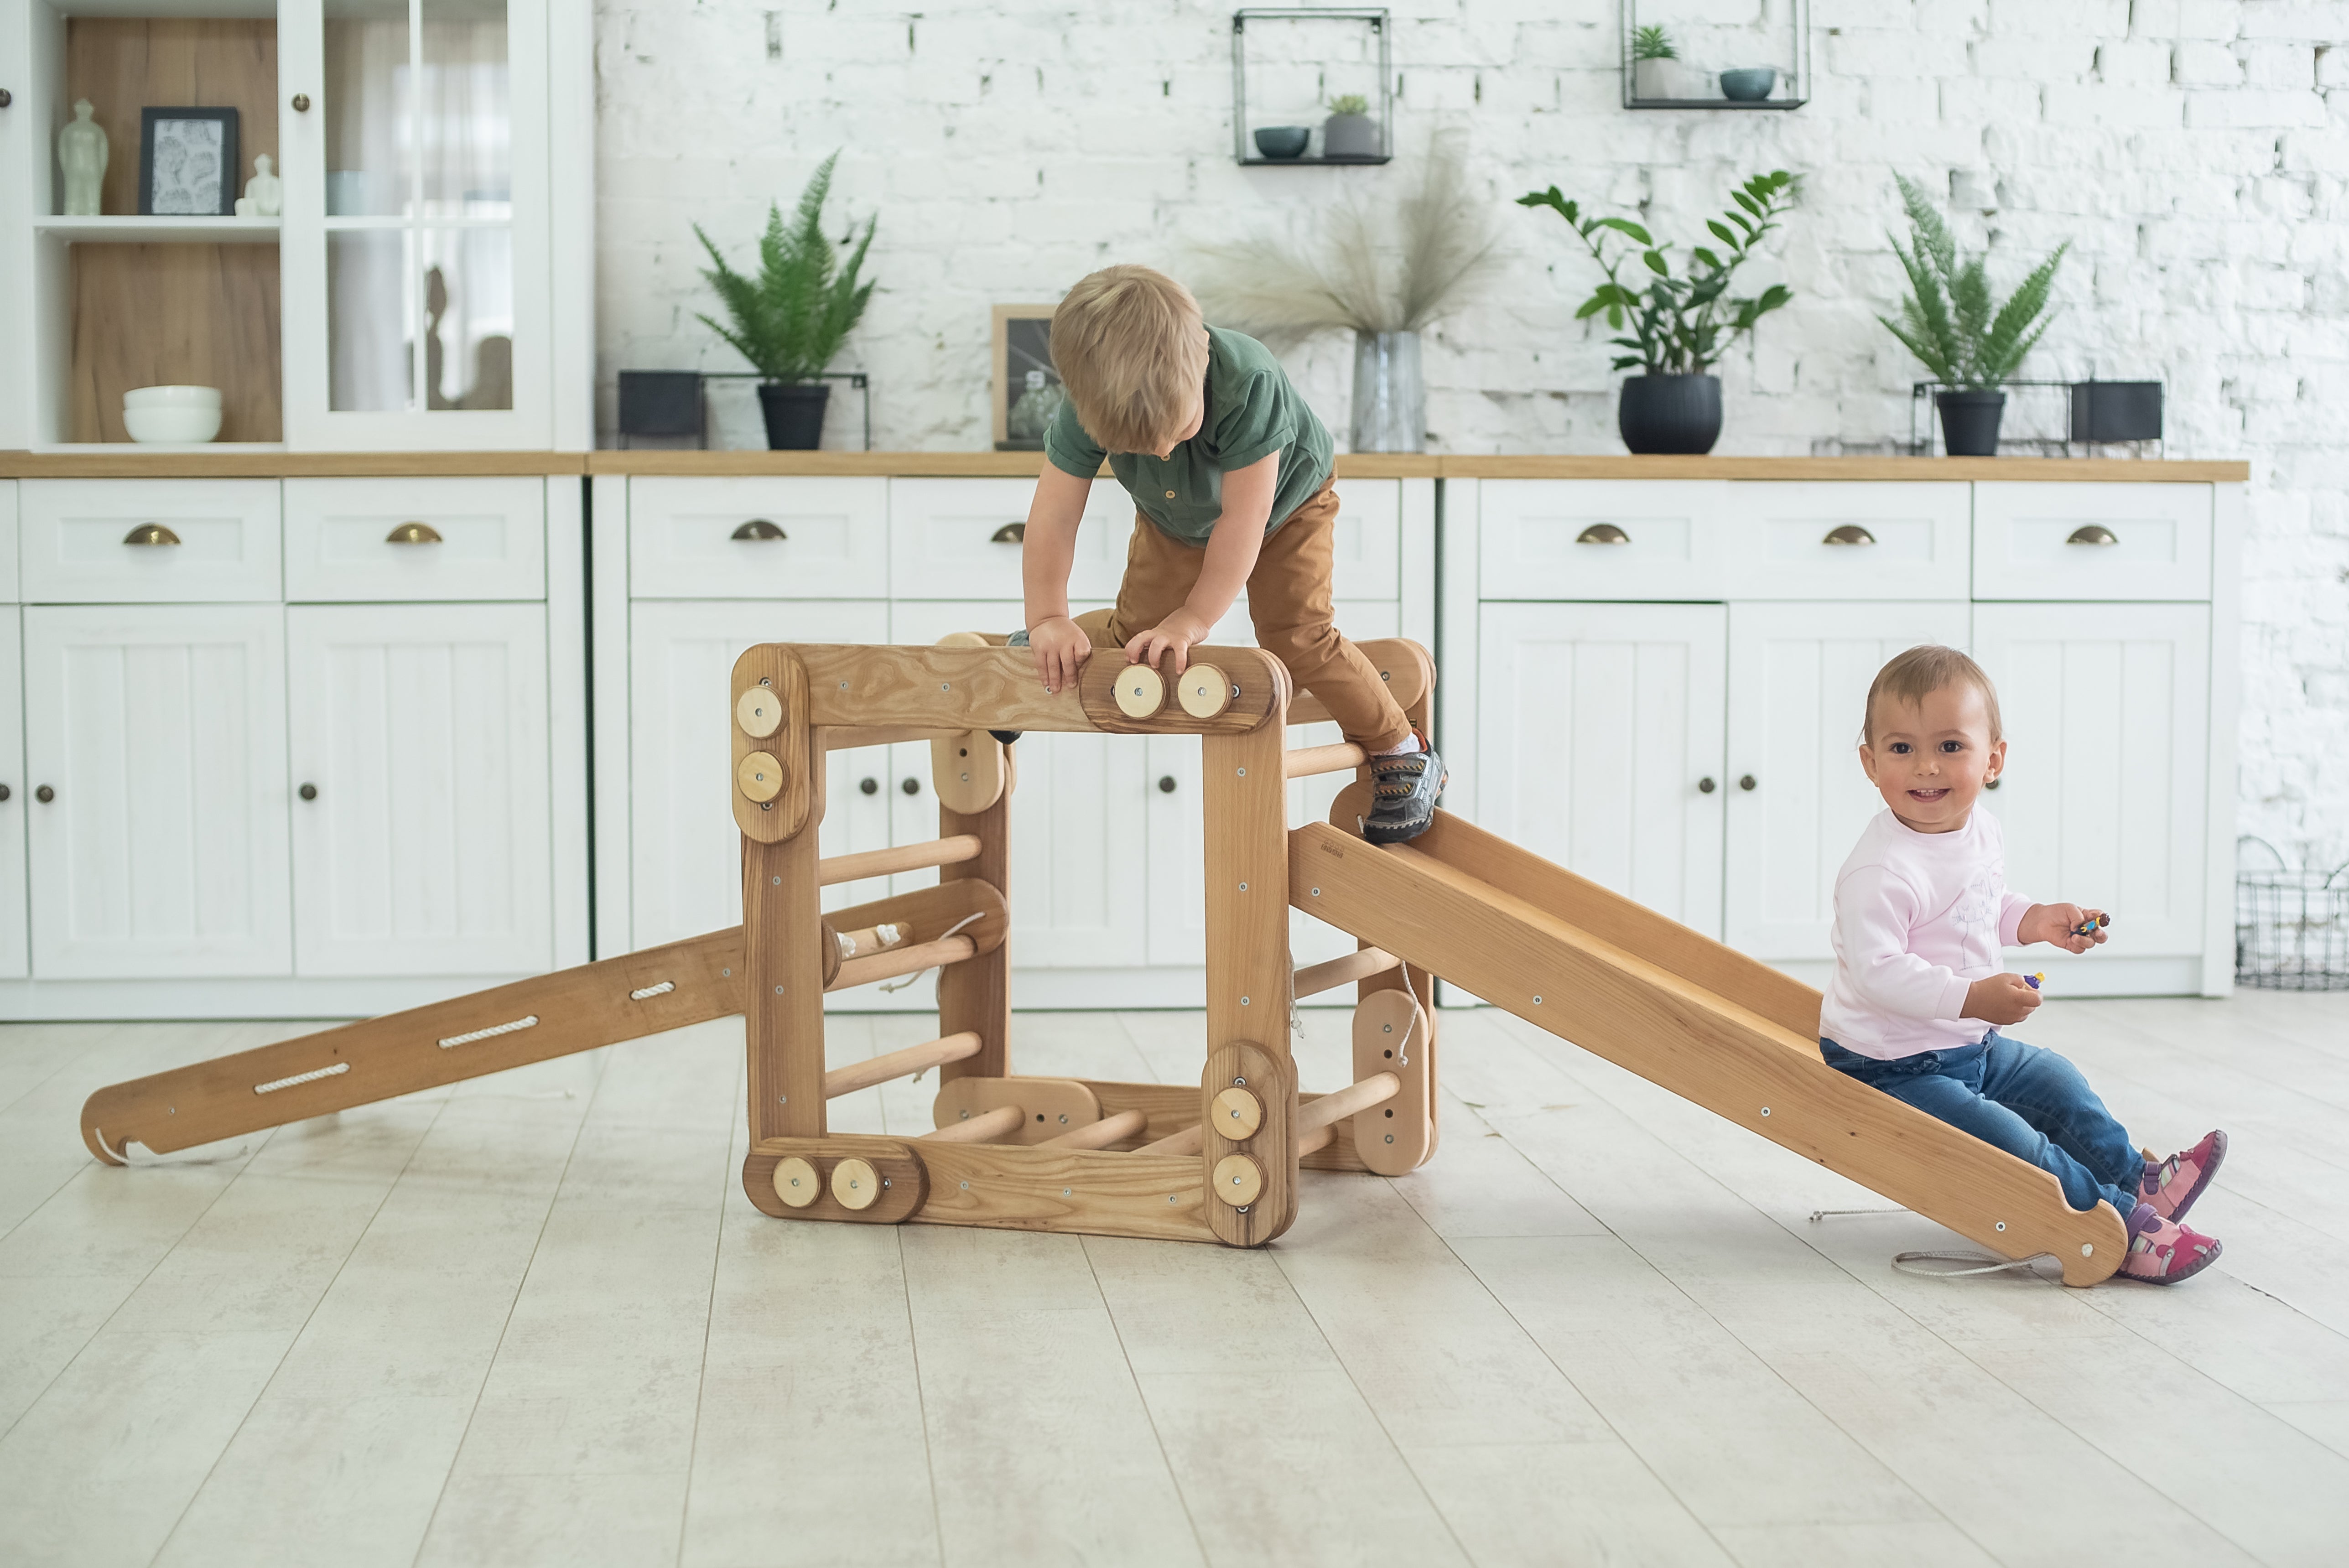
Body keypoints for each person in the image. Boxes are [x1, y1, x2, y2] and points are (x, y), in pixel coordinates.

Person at [1820, 644, 2226, 1284]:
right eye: (1901, 749)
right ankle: (2121, 1224)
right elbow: (1880, 972)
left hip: (1966, 1042)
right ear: (1870, 763)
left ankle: (2140, 1181)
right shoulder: (1880, 869)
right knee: (2014, 1141)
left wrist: (2034, 919)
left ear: (1993, 758)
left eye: (1950, 746)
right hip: (1891, 1064)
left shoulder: (1979, 830)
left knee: (2059, 1083)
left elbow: (1978, 907)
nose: (1925, 766)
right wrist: (1972, 997)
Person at [1013, 265, 1442, 844]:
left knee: (1295, 636)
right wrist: (1047, 618)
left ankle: (1402, 749)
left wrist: (1192, 620)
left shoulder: (1247, 381)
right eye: (1138, 447)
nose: (1164, 448)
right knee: (1137, 637)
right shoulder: (1088, 402)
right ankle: (1042, 649)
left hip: (1284, 506)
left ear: (1203, 358)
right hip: (1175, 515)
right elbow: (1054, 517)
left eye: (1178, 429)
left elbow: (1244, 522)